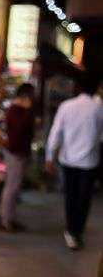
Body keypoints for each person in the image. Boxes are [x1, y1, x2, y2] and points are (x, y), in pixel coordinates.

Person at [45, 72, 103, 250]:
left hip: (68, 160)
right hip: (89, 161)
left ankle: (71, 230)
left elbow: (56, 133)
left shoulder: (66, 106)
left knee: (71, 196)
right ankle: (77, 232)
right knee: (84, 198)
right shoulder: (99, 108)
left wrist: (49, 157)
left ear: (77, 88)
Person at [0, 83, 36, 233]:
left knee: (15, 187)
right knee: (12, 187)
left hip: (19, 151)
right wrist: (28, 111)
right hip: (15, 152)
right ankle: (6, 220)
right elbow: (19, 130)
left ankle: (10, 219)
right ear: (25, 97)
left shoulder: (18, 110)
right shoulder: (15, 111)